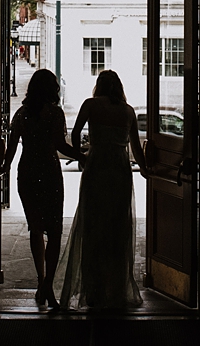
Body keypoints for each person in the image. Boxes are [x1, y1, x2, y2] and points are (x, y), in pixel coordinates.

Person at [56, 70, 148, 311]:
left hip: (96, 166)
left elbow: (74, 133)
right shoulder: (128, 111)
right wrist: (147, 169)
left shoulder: (90, 105)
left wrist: (80, 156)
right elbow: (137, 150)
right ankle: (115, 289)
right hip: (119, 169)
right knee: (117, 230)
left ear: (99, 86)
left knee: (93, 227)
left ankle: (92, 290)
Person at [1, 69, 86, 308]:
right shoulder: (55, 113)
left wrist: (3, 168)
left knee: (35, 229)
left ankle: (41, 281)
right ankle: (48, 284)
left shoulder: (21, 114)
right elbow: (60, 145)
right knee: (55, 230)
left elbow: (11, 150)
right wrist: (82, 156)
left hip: (27, 173)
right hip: (49, 174)